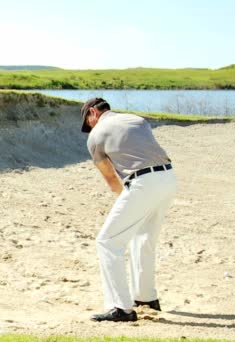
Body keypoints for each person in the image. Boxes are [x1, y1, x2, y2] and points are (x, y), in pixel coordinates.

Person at [81, 98, 177, 322]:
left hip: (143, 183)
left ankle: (120, 307)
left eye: (88, 121)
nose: (90, 128)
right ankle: (146, 297)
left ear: (93, 112)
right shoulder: (137, 120)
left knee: (107, 241)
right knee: (144, 237)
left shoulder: (96, 137)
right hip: (168, 178)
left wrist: (129, 200)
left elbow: (112, 180)